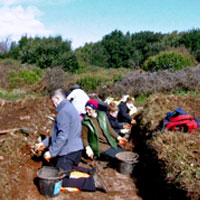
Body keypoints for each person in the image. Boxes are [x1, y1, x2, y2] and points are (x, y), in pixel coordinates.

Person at [35, 89, 107, 192]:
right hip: (76, 151)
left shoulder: (63, 112)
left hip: (68, 153)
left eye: (52, 101)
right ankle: (90, 171)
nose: (52, 104)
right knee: (64, 168)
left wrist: (51, 152)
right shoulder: (70, 108)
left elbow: (62, 137)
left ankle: (92, 182)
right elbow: (61, 134)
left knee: (60, 179)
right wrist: (44, 143)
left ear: (57, 99)